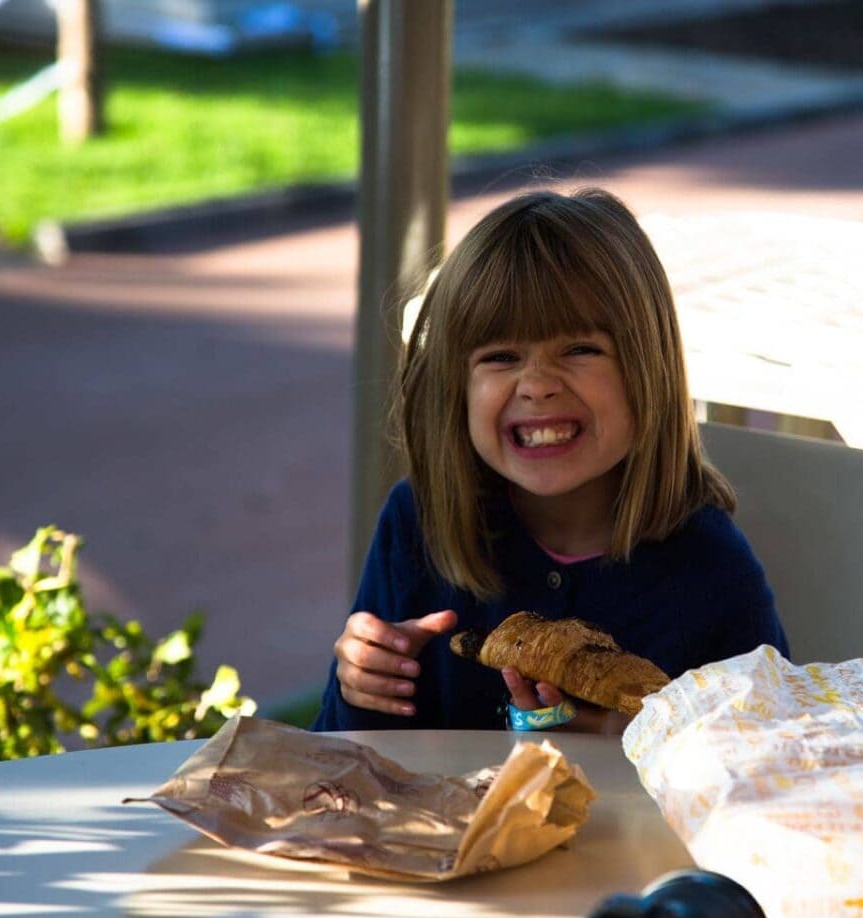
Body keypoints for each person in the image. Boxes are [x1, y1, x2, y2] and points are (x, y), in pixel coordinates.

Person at [312, 187, 787, 735]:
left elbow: (767, 774)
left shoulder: (712, 572)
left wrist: (621, 751)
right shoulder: (420, 525)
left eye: (579, 349)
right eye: (501, 357)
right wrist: (362, 687)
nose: (537, 385)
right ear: (455, 388)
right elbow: (340, 762)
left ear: (646, 368)